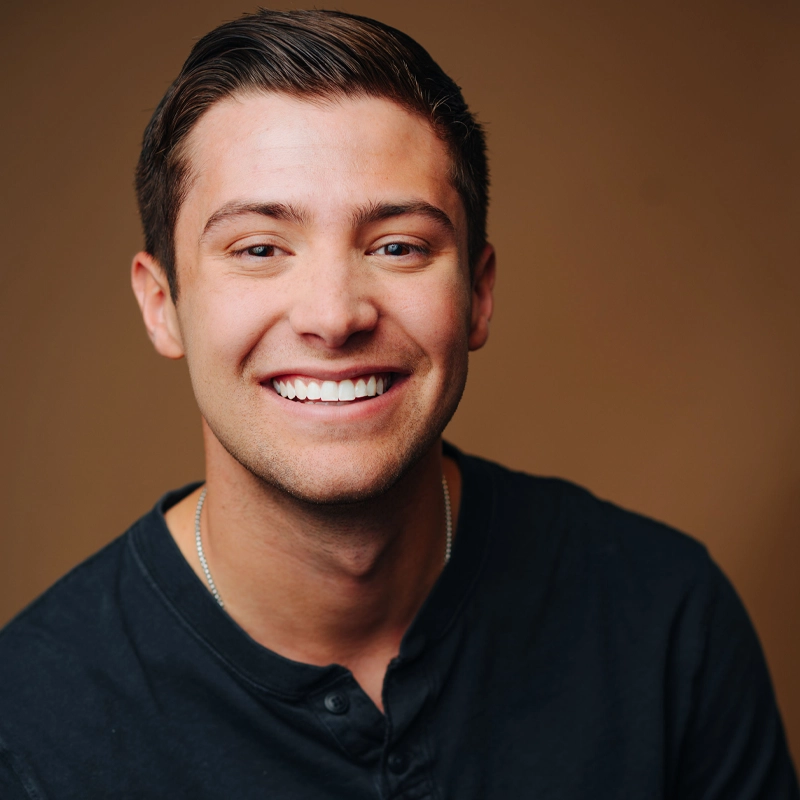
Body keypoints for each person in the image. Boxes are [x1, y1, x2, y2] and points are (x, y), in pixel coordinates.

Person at [0, 9, 797, 798]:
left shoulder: (664, 619)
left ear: (478, 296)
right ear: (162, 303)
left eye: (397, 246)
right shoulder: (28, 724)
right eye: (259, 249)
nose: (334, 314)